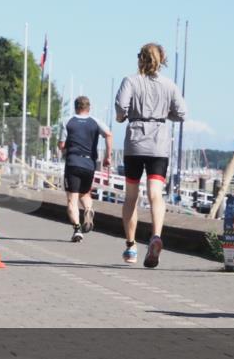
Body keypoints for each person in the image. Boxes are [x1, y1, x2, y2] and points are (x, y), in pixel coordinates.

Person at [115, 43, 186, 267]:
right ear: (162, 59)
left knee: (131, 196)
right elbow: (182, 113)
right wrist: (166, 114)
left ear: (140, 58)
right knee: (156, 193)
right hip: (159, 144)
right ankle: (156, 235)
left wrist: (121, 117)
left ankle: (131, 246)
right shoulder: (169, 85)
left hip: (135, 142)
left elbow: (120, 106)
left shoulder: (130, 81)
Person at [58, 96, 113, 243]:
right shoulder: (95, 122)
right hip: (89, 164)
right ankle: (88, 210)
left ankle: (77, 230)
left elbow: (62, 145)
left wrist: (66, 147)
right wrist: (108, 156)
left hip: (73, 163)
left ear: (76, 107)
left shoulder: (67, 121)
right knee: (84, 194)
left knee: (72, 199)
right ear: (89, 108)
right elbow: (108, 134)